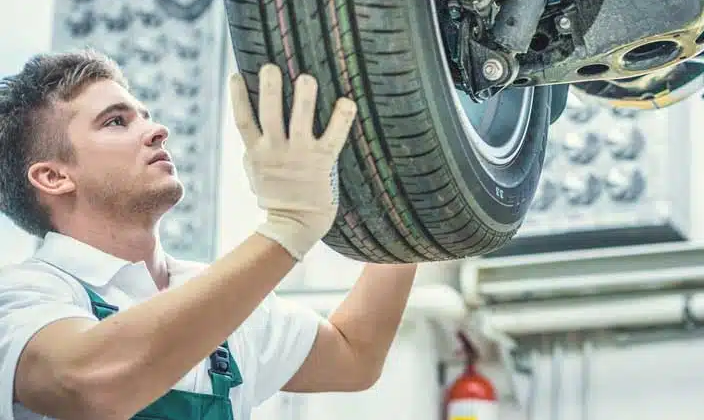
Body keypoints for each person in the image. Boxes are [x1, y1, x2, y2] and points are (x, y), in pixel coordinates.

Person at [0, 49, 418, 420]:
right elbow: (86, 382)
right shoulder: (23, 294)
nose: (156, 129)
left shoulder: (212, 295)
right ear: (53, 176)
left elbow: (354, 354)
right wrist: (287, 228)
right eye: (115, 122)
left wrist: (413, 206)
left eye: (144, 115)